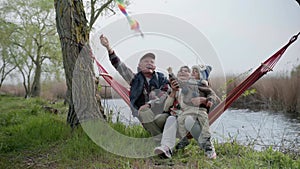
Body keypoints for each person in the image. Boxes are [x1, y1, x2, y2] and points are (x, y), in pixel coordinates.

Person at [100, 35, 170, 140]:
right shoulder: (134, 79)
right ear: (139, 66)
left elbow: (166, 94)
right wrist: (109, 48)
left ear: (155, 67)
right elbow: (120, 67)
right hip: (145, 116)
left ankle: (167, 141)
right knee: (144, 112)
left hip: (161, 115)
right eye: (146, 62)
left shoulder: (162, 78)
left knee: (171, 118)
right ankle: (160, 141)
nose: (149, 64)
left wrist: (150, 104)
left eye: (152, 62)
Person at [154, 65, 218, 159]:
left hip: (194, 117)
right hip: (178, 119)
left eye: (186, 71)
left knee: (188, 120)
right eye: (180, 70)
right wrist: (173, 92)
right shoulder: (173, 89)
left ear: (190, 76)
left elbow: (217, 101)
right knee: (171, 119)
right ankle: (167, 148)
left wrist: (204, 100)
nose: (182, 72)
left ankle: (207, 147)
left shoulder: (200, 87)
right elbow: (166, 108)